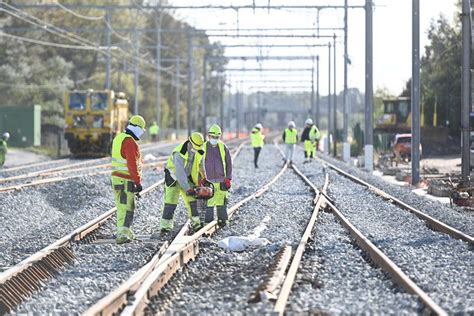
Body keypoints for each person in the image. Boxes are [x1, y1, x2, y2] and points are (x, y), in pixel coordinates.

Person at [160, 132, 207, 232]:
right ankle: (165, 226)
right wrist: (187, 189)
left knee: (192, 201)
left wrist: (203, 178)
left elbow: (201, 165)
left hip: (187, 177)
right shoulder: (179, 153)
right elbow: (180, 173)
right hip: (174, 178)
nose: (197, 149)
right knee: (171, 202)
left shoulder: (199, 151)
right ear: (190, 142)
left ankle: (196, 223)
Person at [111, 115, 146, 244]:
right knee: (127, 208)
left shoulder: (118, 138)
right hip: (126, 180)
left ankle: (126, 232)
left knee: (121, 207)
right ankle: (123, 234)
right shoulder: (130, 142)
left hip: (116, 178)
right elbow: (132, 164)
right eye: (142, 130)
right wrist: (137, 182)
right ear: (137, 128)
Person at [202, 124, 232, 226]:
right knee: (209, 203)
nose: (215, 139)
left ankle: (222, 222)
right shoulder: (203, 147)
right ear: (209, 136)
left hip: (221, 180)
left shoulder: (223, 147)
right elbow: (198, 164)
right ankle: (208, 224)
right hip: (208, 181)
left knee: (221, 202)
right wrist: (200, 178)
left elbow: (229, 163)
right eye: (213, 137)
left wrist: (228, 178)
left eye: (217, 137)